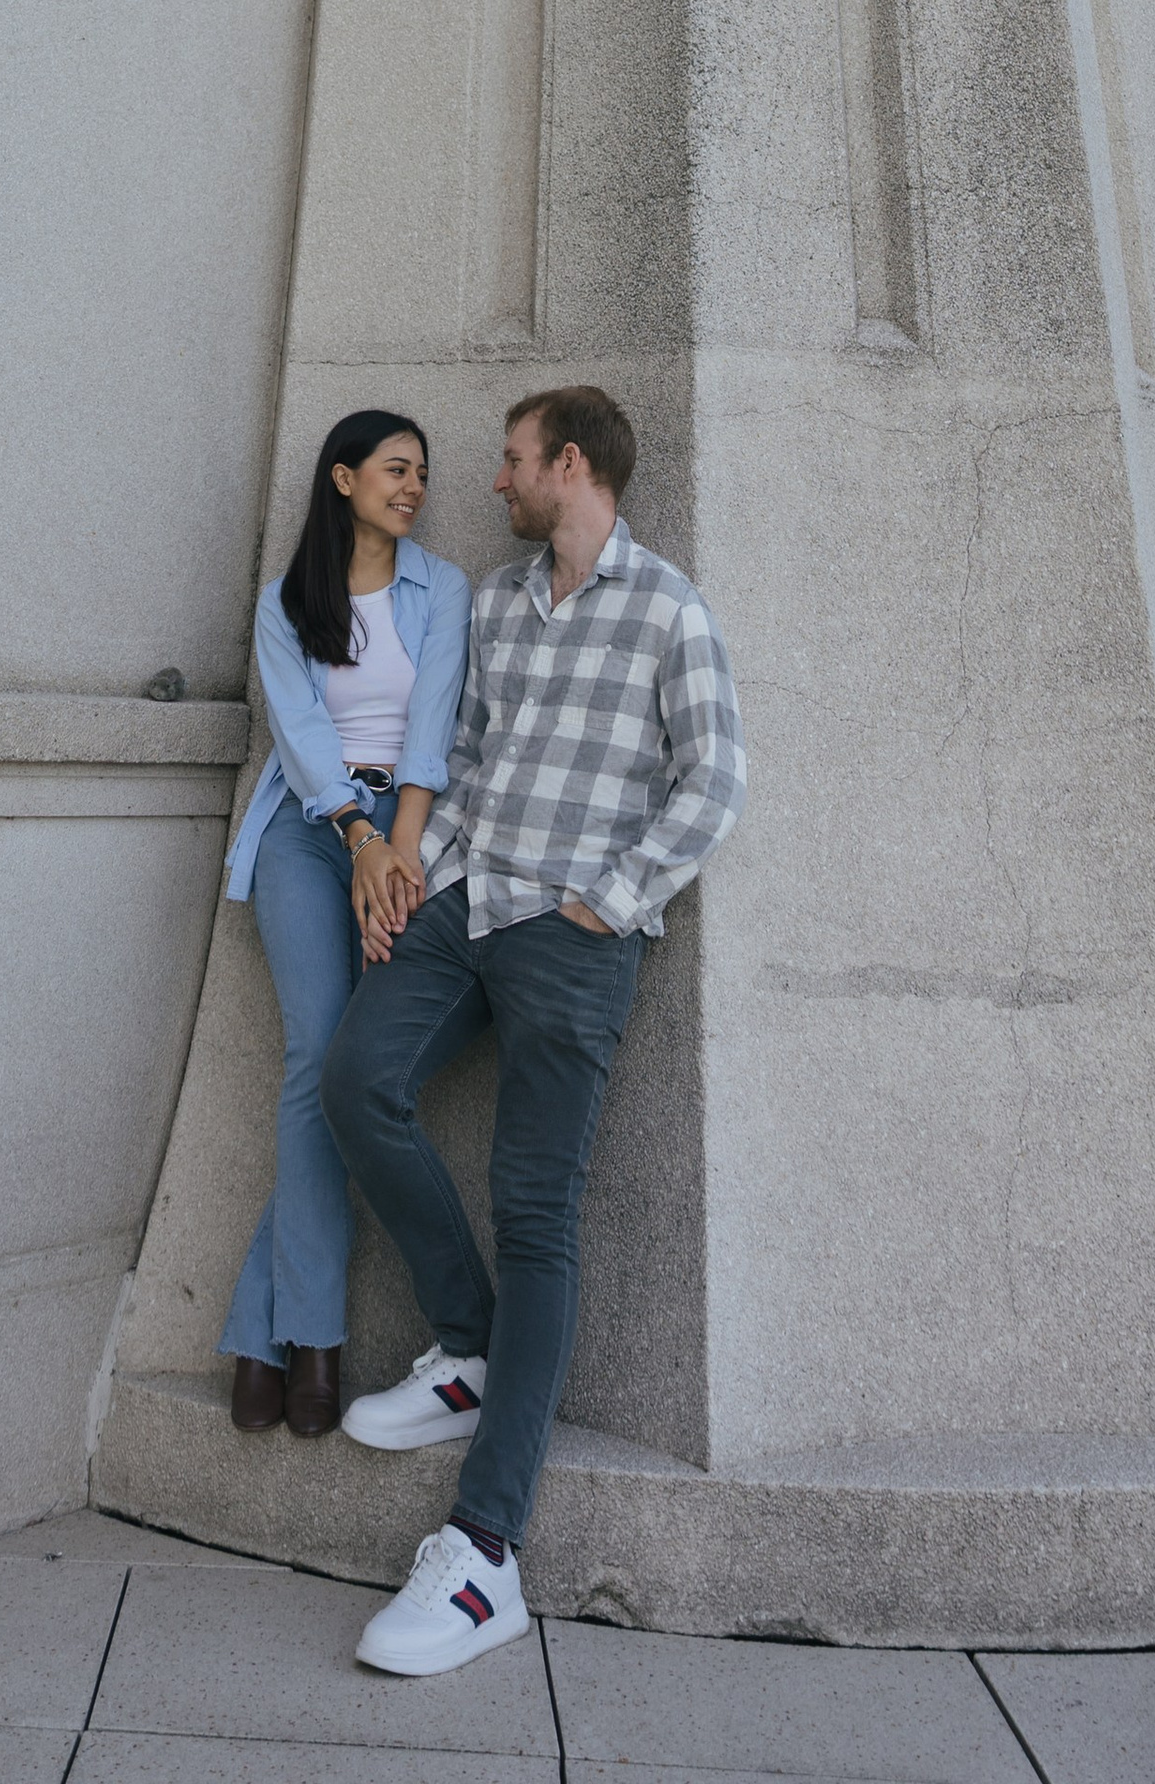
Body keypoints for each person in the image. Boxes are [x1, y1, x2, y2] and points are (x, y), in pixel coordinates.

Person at [321, 383, 745, 1673]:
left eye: (511, 462)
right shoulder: (495, 605)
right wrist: (415, 875)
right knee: (354, 1078)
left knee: (538, 1212)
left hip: (572, 935)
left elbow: (713, 778)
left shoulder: (668, 606)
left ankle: (483, 1558)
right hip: (466, 902)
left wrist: (607, 903)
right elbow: (469, 751)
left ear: (569, 465)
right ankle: (466, 1344)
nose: (492, 482)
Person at [217, 409, 472, 1440]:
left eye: (422, 472)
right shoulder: (289, 603)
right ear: (342, 479)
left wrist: (398, 851)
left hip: (404, 839)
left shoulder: (441, 589)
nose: (413, 487)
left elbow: (433, 726)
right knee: (312, 1055)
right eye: (395, 469)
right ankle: (314, 1344)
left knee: (346, 1069)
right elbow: (302, 732)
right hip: (307, 832)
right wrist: (359, 844)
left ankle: (263, 1331)